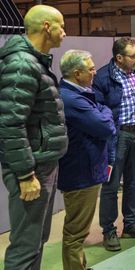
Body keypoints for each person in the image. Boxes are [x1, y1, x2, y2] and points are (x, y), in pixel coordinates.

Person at [0, 5, 67, 270]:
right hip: (33, 169)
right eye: (61, 25)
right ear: (47, 27)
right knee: (26, 246)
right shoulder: (22, 64)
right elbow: (10, 124)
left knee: (37, 240)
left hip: (43, 164)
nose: (65, 31)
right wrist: (26, 175)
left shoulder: (34, 63)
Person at [93, 37, 135, 252]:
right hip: (116, 137)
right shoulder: (102, 77)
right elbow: (97, 107)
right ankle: (108, 230)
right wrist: (111, 127)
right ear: (119, 57)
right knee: (110, 185)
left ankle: (130, 224)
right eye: (134, 56)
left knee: (134, 181)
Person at [58, 50, 116, 270]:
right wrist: (106, 110)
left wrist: (102, 110)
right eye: (90, 69)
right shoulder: (71, 99)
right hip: (80, 173)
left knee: (78, 229)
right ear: (77, 73)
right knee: (75, 232)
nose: (94, 72)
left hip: (85, 169)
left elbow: (101, 115)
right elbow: (105, 127)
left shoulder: (79, 94)